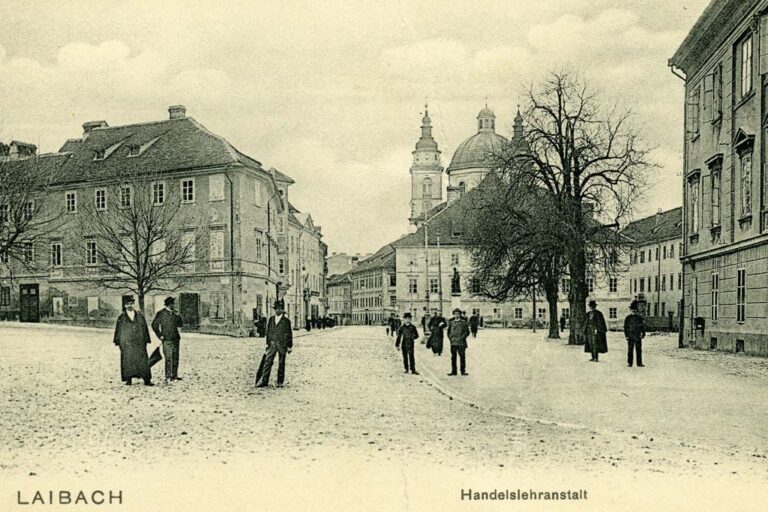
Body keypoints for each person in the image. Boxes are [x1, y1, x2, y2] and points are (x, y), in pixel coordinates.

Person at [113, 297, 154, 386]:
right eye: (127, 304)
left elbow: (144, 328)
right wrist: (118, 342)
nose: (129, 306)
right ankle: (128, 379)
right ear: (124, 306)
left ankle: (147, 380)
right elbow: (118, 330)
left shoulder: (139, 315)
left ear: (133, 304)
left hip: (139, 343)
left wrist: (146, 340)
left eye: (131, 303)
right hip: (127, 344)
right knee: (128, 361)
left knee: (143, 361)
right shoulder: (122, 317)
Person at [256, 301, 294, 388]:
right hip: (272, 344)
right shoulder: (271, 319)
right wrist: (267, 343)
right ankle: (264, 381)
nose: (277, 310)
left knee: (281, 363)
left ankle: (280, 382)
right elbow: (268, 332)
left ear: (282, 310)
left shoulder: (286, 321)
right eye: (276, 309)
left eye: (279, 308)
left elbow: (289, 334)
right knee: (267, 362)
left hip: (282, 344)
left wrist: (289, 346)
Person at [151, 296, 184, 382]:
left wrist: (178, 315)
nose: (175, 305)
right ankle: (168, 376)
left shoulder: (175, 314)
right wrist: (160, 335)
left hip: (176, 338)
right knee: (168, 357)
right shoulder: (161, 313)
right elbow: (154, 325)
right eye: (173, 304)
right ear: (169, 304)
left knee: (175, 357)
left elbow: (180, 324)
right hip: (166, 339)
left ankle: (174, 375)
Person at [447, 308, 469, 376]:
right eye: (455, 314)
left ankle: (463, 371)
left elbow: (467, 332)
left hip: (461, 343)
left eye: (458, 314)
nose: (457, 315)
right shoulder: (451, 323)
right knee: (453, 357)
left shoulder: (464, 323)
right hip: (453, 343)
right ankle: (454, 371)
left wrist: (462, 338)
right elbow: (448, 332)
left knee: (462, 357)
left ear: (460, 315)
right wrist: (450, 338)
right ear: (453, 314)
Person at [624, 300, 646, 367]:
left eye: (635, 310)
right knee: (630, 350)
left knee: (639, 350)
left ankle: (639, 363)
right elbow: (625, 327)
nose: (633, 311)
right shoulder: (627, 318)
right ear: (630, 310)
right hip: (630, 336)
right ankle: (629, 363)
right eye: (632, 310)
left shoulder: (639, 318)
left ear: (636, 311)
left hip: (637, 335)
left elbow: (642, 326)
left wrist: (643, 334)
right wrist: (626, 335)